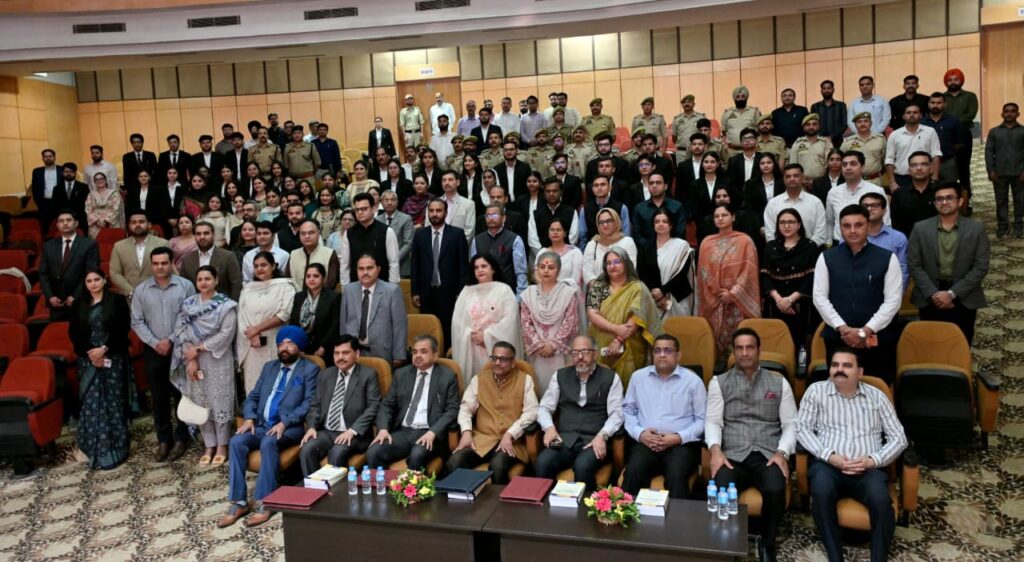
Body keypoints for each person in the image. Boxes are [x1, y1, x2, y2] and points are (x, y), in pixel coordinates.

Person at [796, 348, 908, 562]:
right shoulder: (816, 391)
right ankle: (835, 555)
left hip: (867, 469)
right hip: (829, 466)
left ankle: (879, 557)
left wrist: (873, 460)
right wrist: (830, 456)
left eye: (847, 365)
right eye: (835, 365)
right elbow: (801, 429)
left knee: (880, 500)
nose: (839, 370)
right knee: (820, 491)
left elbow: (899, 438)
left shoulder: (877, 397)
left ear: (860, 372)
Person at [706, 328, 796, 562]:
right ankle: (726, 543)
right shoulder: (719, 382)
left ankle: (767, 544)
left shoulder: (779, 382)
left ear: (759, 350)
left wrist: (782, 452)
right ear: (733, 352)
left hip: (768, 454)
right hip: (732, 455)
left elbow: (790, 424)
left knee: (775, 489)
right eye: (739, 348)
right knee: (721, 487)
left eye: (750, 347)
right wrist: (715, 450)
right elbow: (713, 421)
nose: (745, 353)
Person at [219, 327, 319, 529]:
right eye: (281, 344)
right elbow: (253, 396)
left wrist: (285, 422)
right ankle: (240, 502)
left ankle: (266, 501)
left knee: (269, 442)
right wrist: (249, 419)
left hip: (290, 427)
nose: (284, 348)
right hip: (262, 425)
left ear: (299, 347)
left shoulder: (309, 369)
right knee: (236, 441)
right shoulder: (269, 367)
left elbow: (309, 403)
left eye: (290, 343)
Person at [813, 205, 902, 383]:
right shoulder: (826, 257)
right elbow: (819, 297)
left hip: (877, 339)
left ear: (868, 226)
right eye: (847, 226)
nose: (852, 230)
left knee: (877, 388)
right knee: (840, 387)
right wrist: (843, 328)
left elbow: (893, 301)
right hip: (839, 338)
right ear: (840, 228)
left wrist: (866, 331)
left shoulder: (887, 258)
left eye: (858, 225)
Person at [130, 247, 196, 462]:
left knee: (180, 395)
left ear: (172, 263)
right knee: (158, 398)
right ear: (151, 265)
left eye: (164, 263)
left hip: (179, 348)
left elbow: (190, 317)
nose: (160, 267)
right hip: (153, 350)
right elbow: (137, 321)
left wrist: (170, 340)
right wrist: (154, 342)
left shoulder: (185, 286)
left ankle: (182, 438)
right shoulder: (141, 290)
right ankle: (164, 440)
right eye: (156, 263)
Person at [536, 334, 624, 494]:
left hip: (594, 441)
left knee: (582, 466)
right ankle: (548, 505)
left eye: (584, 351)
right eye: (575, 353)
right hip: (563, 440)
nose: (580, 357)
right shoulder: (560, 376)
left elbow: (617, 414)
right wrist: (549, 428)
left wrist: (602, 436)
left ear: (595, 354)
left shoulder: (611, 378)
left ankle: (585, 508)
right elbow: (544, 408)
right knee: (543, 461)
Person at [622, 333, 706, 498]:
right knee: (633, 471)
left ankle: (676, 516)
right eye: (657, 350)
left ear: (678, 355)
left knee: (676, 475)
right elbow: (628, 412)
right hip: (646, 443)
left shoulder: (693, 381)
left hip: (680, 445)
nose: (662, 355)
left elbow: (702, 420)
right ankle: (628, 514)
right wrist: (640, 434)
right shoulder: (638, 378)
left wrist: (678, 437)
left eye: (668, 351)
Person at [170, 266, 238, 466]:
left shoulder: (226, 305)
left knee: (219, 401)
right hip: (194, 361)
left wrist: (199, 348)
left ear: (216, 280)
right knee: (201, 400)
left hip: (218, 359)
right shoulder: (187, 305)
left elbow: (226, 333)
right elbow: (181, 332)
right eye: (200, 279)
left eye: (208, 278)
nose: (203, 282)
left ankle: (222, 445)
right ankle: (209, 445)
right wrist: (191, 358)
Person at [907, 183, 989, 346]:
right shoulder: (920, 228)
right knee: (930, 344)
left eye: (949, 198)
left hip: (964, 295)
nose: (944, 202)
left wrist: (952, 294)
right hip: (930, 295)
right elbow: (914, 264)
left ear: (960, 201)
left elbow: (981, 267)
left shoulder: (976, 229)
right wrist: (934, 294)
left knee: (960, 344)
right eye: (939, 199)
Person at [446, 341, 539, 484]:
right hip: (482, 440)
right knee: (454, 462)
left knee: (498, 466)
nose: (497, 363)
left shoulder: (525, 380)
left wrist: (510, 433)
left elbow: (531, 412)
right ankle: (465, 498)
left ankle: (496, 500)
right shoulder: (479, 379)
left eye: (503, 359)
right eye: (494, 358)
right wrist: (466, 431)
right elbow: (465, 408)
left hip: (511, 442)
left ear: (513, 362)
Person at [69, 268, 133, 469]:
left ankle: (117, 450)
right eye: (89, 281)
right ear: (85, 284)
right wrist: (91, 353)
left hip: (113, 358)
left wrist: (104, 349)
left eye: (97, 279)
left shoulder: (117, 300)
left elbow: (123, 329)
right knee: (91, 406)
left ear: (104, 280)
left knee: (113, 403)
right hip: (88, 361)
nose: (93, 284)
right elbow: (74, 333)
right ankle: (93, 451)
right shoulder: (79, 303)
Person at [366, 335, 460, 470]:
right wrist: (383, 429)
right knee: (374, 452)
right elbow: (387, 405)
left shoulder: (447, 377)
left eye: (423, 351)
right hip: (403, 432)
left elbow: (452, 410)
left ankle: (413, 485)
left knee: (417, 454)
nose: (418, 355)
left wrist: (433, 432)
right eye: (415, 352)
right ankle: (385, 484)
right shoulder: (401, 374)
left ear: (435, 355)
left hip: (429, 432)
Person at [299, 334, 382, 476]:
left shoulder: (368, 375)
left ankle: (337, 490)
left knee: (337, 452)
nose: (340, 357)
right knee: (307, 449)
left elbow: (373, 406)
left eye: (345, 353)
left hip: (354, 433)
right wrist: (312, 427)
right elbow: (315, 404)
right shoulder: (325, 375)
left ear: (357, 353)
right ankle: (314, 488)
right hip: (327, 432)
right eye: (336, 353)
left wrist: (352, 431)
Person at [586, 248, 661, 385]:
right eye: (608, 263)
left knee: (630, 385)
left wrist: (619, 340)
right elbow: (592, 313)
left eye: (617, 262)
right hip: (601, 344)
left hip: (630, 345)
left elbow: (637, 317)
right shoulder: (598, 286)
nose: (612, 266)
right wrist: (615, 328)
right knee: (601, 386)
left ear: (626, 263)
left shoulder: (637, 287)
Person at [698, 204, 761, 360]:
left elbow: (749, 271)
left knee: (740, 342)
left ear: (733, 217)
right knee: (715, 345)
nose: (720, 219)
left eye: (724, 215)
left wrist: (732, 294)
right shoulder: (706, 243)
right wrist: (718, 294)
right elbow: (703, 273)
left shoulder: (744, 241)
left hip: (738, 304)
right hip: (714, 301)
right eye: (716, 216)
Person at [451, 254, 522, 387]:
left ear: (493, 269)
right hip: (472, 348)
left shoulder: (504, 290)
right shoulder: (466, 292)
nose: (480, 270)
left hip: (496, 348)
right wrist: (471, 334)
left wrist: (486, 336)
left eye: (484, 266)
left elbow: (510, 320)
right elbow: (457, 322)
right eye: (476, 267)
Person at [411, 198, 469, 350]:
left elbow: (463, 267)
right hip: (426, 293)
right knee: (428, 332)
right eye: (431, 211)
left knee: (448, 332)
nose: (434, 214)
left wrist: (461, 292)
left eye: (438, 210)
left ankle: (446, 359)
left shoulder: (457, 234)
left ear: (446, 213)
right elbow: (415, 265)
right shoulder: (420, 235)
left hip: (449, 294)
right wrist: (415, 291)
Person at [761, 209, 821, 352]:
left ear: (799, 224)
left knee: (801, 346)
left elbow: (813, 278)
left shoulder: (810, 247)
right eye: (782, 222)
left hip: (802, 306)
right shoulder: (771, 246)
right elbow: (764, 276)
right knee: (776, 344)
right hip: (775, 305)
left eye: (791, 222)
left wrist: (790, 299)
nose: (786, 226)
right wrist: (779, 300)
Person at [237, 251, 297, 392]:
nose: (260, 269)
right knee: (253, 386)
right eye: (256, 266)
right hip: (252, 344)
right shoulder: (248, 289)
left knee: (274, 385)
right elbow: (242, 315)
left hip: (275, 341)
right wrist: (253, 334)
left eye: (264, 265)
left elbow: (284, 314)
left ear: (273, 266)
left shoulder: (286, 286)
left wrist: (257, 328)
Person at [521, 252, 580, 389]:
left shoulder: (568, 293)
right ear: (537, 270)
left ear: (558, 270)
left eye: (551, 267)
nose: (546, 271)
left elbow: (570, 322)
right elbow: (525, 323)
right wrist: (538, 344)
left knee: (561, 386)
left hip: (560, 352)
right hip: (537, 352)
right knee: (537, 387)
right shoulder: (528, 294)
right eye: (542, 267)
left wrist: (553, 345)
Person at [340, 254, 408, 366]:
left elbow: (399, 326)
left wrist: (399, 355)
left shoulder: (392, 291)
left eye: (369, 268)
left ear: (378, 269)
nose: (365, 272)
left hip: (382, 352)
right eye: (361, 269)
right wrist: (342, 349)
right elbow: (343, 323)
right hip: (353, 352)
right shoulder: (348, 290)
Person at [39, 210, 99, 321]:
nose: (65, 223)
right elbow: (43, 274)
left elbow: (90, 273)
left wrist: (76, 296)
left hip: (80, 301)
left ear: (76, 223)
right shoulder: (48, 246)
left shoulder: (89, 245)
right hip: (56, 304)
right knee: (58, 331)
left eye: (68, 220)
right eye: (61, 221)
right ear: (57, 225)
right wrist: (50, 296)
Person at [637, 208, 695, 318]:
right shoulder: (645, 247)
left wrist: (663, 291)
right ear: (653, 225)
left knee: (678, 328)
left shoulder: (682, 246)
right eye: (657, 221)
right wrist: (655, 292)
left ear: (671, 224)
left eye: (665, 221)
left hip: (677, 297)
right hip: (653, 298)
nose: (661, 224)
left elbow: (682, 273)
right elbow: (641, 272)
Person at [825, 151, 888, 243]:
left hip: (870, 243)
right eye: (844, 165)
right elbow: (829, 222)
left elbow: (886, 222)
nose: (848, 168)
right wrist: (828, 244)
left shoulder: (876, 191)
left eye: (853, 164)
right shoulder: (833, 192)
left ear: (862, 167)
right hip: (839, 244)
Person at [470, 203, 529, 297]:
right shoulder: (476, 240)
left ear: (504, 218)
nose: (491, 218)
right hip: (483, 294)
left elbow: (521, 272)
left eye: (494, 215)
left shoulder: (514, 239)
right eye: (488, 215)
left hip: (508, 293)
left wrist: (520, 297)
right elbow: (474, 271)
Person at [339, 193, 399, 283]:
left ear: (373, 209)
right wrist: (345, 287)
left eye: (364, 209)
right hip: (356, 285)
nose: (360, 212)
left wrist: (393, 287)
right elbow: (344, 266)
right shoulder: (349, 233)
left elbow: (393, 264)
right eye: (357, 209)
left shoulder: (387, 231)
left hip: (382, 284)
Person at [985, 102, 1024, 238]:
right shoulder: (994, 132)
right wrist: (991, 170)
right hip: (999, 173)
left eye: (1013, 111)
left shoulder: (1023, 131)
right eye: (1006, 111)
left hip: (1019, 173)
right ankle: (1002, 227)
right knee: (1001, 201)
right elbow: (989, 152)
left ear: (1018, 114)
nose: (1009, 113)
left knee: (1020, 201)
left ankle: (1018, 226)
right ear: (1002, 114)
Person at [764, 164, 828, 246]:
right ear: (783, 179)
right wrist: (781, 249)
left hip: (809, 250)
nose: (792, 179)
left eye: (796, 176)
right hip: (780, 251)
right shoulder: (773, 204)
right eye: (788, 176)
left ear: (803, 178)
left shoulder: (815, 202)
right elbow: (770, 233)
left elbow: (820, 232)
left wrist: (807, 249)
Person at [943, 68, 979, 212]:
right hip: (945, 137)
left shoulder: (970, 96)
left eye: (956, 79)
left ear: (961, 80)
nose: (953, 82)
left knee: (963, 169)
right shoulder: (942, 97)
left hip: (964, 136)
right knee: (946, 168)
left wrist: (951, 122)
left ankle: (966, 202)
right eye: (950, 80)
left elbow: (970, 114)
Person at [109, 210, 169, 297]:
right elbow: (115, 273)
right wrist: (131, 291)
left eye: (141, 222)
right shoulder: (119, 246)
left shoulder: (163, 244)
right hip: (129, 297)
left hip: (158, 295)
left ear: (149, 225)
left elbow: (169, 270)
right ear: (129, 226)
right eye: (133, 222)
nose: (137, 225)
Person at [179, 221, 243, 301]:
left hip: (223, 305)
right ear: (194, 237)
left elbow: (236, 284)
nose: (202, 237)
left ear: (213, 235)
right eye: (198, 234)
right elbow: (183, 286)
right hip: (194, 306)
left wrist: (233, 305)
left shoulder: (228, 256)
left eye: (206, 233)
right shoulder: (187, 259)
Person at [289, 263, 340, 358]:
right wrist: (297, 346)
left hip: (324, 348)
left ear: (323, 278)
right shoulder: (299, 297)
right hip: (301, 347)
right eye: (308, 276)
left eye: (316, 276)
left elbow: (335, 326)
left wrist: (323, 348)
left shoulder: (333, 297)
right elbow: (293, 322)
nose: (311, 279)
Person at [885, 104, 941, 190]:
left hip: (926, 178)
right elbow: (889, 159)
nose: (911, 115)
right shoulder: (895, 135)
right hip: (902, 179)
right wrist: (892, 182)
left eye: (915, 112)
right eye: (908, 113)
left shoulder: (930, 132)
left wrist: (935, 177)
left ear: (920, 115)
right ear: (904, 116)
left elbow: (936, 155)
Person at [859, 192, 908, 289]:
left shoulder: (898, 238)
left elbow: (903, 270)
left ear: (884, 211)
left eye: (875, 205)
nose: (869, 209)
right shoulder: (850, 236)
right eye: (865, 206)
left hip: (888, 290)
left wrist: (897, 294)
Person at [582, 208, 637, 287]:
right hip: (597, 290)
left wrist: (615, 288)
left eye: (609, 221)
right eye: (601, 222)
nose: (605, 225)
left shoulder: (627, 242)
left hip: (623, 289)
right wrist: (600, 289)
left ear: (616, 222)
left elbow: (630, 269)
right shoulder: (592, 244)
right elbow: (587, 273)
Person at [890, 151, 938, 236]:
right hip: (909, 240)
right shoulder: (899, 194)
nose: (919, 168)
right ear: (909, 170)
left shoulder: (940, 191)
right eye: (914, 165)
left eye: (924, 164)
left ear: (931, 168)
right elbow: (896, 226)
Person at [289, 219, 340, 291]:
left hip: (323, 297)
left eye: (311, 232)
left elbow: (332, 282)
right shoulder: (293, 254)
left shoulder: (330, 253)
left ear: (318, 234)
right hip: (296, 296)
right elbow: (288, 281)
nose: (307, 236)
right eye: (303, 233)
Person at [377, 190, 415, 278]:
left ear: (397, 202)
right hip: (381, 267)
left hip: (401, 267)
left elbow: (408, 243)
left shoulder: (406, 218)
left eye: (392, 200)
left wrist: (393, 260)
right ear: (381, 202)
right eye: (386, 200)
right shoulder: (377, 220)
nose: (389, 202)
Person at [688, 152, 733, 224]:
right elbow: (694, 206)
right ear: (702, 164)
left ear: (718, 164)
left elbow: (732, 203)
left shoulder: (727, 182)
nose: (709, 165)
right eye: (706, 162)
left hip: (723, 221)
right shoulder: (695, 184)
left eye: (712, 162)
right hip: (702, 223)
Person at [742, 152, 784, 225]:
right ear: (758, 165)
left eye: (769, 162)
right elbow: (750, 208)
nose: (766, 165)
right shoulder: (750, 184)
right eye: (762, 163)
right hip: (759, 222)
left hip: (781, 219)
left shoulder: (782, 182)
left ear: (774, 164)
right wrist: (759, 226)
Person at [721, 87, 762, 154]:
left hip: (750, 150)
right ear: (734, 99)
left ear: (746, 98)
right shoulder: (727, 113)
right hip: (731, 151)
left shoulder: (754, 112)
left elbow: (760, 130)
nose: (740, 99)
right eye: (738, 97)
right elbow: (724, 132)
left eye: (743, 96)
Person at [788, 114, 830, 180]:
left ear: (819, 126)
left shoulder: (826, 143)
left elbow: (829, 165)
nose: (811, 127)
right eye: (808, 125)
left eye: (814, 124)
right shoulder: (797, 143)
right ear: (803, 127)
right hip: (801, 182)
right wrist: (802, 180)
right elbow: (793, 165)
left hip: (821, 182)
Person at [85, 172, 124, 238]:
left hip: (111, 223)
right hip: (95, 224)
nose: (99, 180)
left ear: (105, 180)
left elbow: (116, 209)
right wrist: (97, 221)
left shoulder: (114, 193)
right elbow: (88, 210)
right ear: (94, 182)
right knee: (95, 243)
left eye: (101, 178)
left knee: (113, 242)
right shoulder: (91, 195)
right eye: (97, 179)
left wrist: (106, 221)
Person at [811, 79, 848, 148]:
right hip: (819, 141)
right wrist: (822, 137)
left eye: (829, 88)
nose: (826, 90)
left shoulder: (841, 105)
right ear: (821, 91)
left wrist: (832, 136)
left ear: (833, 90)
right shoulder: (815, 106)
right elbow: (813, 124)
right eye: (824, 88)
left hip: (837, 141)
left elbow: (844, 124)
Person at [52, 163, 89, 229]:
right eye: (66, 172)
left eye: (71, 172)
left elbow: (87, 205)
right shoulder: (57, 188)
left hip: (80, 219)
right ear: (63, 173)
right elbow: (55, 205)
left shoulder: (83, 187)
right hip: (63, 220)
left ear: (75, 173)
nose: (69, 174)